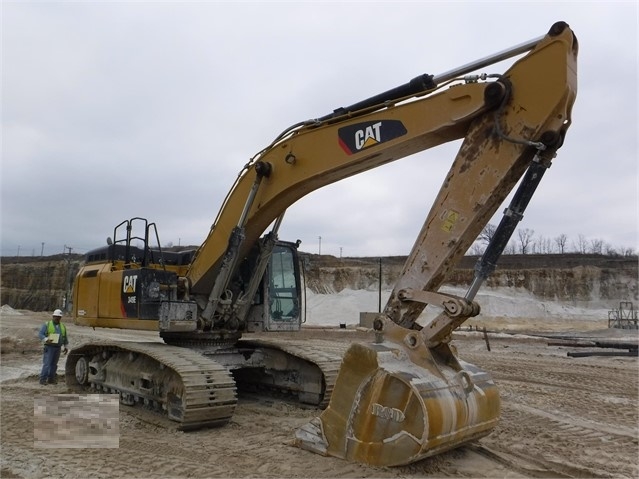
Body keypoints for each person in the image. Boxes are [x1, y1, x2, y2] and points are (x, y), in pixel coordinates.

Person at [38, 309, 69, 385]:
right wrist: (46, 339)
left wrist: (65, 346)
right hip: (49, 347)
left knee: (54, 365)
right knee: (47, 364)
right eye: (56, 317)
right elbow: (40, 334)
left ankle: (51, 379)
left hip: (57, 348)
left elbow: (65, 337)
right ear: (53, 316)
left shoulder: (62, 326)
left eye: (59, 317)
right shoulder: (47, 324)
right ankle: (42, 379)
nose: (58, 318)